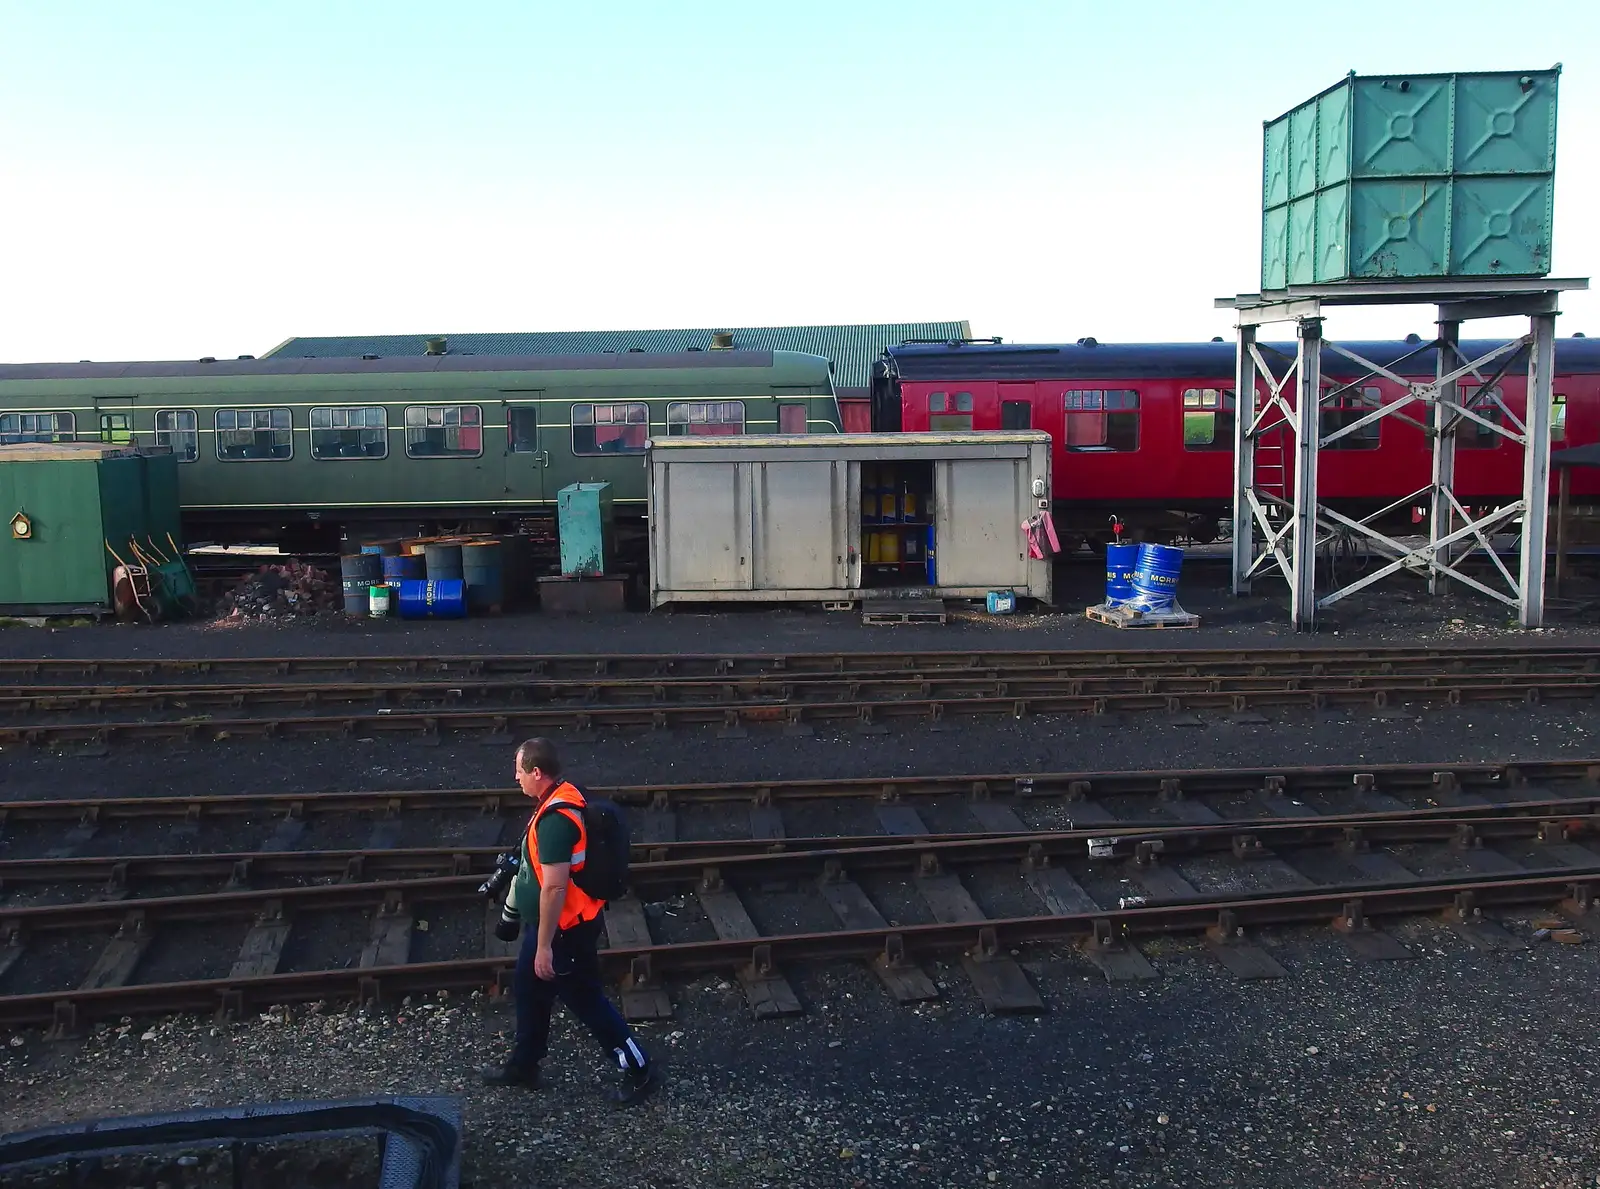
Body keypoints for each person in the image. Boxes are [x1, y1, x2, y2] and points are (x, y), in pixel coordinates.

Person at [480, 737, 659, 1106]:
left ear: (536, 773)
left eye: (518, 772)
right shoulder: (557, 795)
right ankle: (524, 1064)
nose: (515, 779)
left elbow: (554, 889)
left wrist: (544, 946)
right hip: (549, 929)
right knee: (528, 990)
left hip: (565, 932)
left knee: (585, 1000)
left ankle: (640, 1071)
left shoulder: (556, 821)